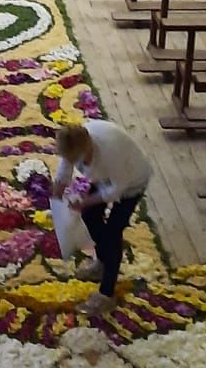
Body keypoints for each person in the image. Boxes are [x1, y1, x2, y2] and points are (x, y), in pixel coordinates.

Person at [53, 119, 151, 316]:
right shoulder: (73, 142)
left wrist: (87, 201)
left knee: (112, 233)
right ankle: (102, 262)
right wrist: (57, 192)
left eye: (79, 159)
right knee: (90, 215)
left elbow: (118, 188)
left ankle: (107, 293)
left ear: (88, 148)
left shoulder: (109, 153)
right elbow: (66, 167)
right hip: (104, 177)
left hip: (131, 182)